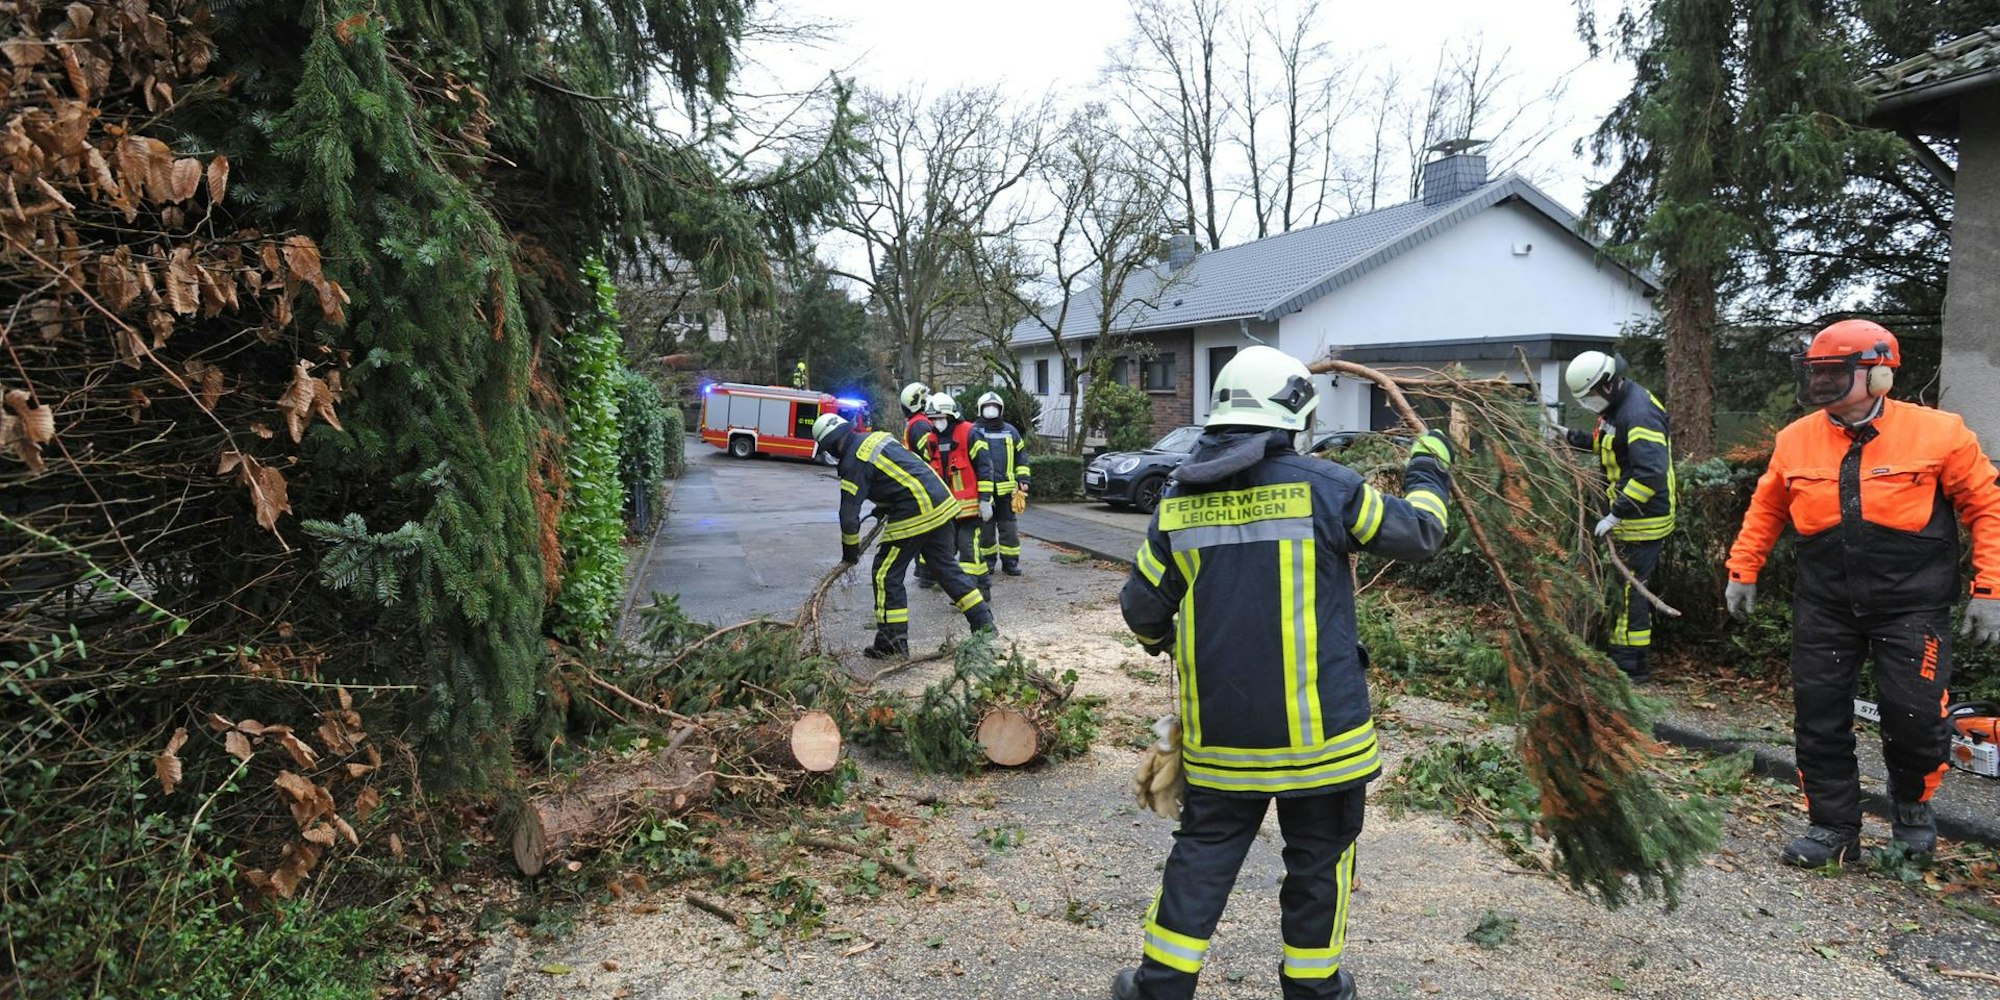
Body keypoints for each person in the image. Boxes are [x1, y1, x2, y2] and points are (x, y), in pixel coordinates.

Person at [1113, 346, 1454, 1000]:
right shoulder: (1329, 488)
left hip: (1223, 740)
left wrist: (1165, 642)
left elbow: (1141, 609)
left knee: (1202, 855)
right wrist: (1429, 464)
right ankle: (1313, 988)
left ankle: (1160, 987)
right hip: (1323, 742)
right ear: (1294, 416)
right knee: (1319, 863)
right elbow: (1422, 532)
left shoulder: (1178, 500)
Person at [1725, 319, 2000, 866]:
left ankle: (1912, 812)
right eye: (1815, 372)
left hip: (1913, 603)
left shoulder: (1939, 433)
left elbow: (1986, 508)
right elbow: (1767, 508)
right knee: (1819, 714)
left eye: (1834, 372)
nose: (1821, 383)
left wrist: (1989, 588)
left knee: (1913, 715)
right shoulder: (1796, 438)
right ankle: (1833, 827)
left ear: (1879, 375)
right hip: (1825, 602)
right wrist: (1742, 570)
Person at [813, 413, 994, 659]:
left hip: (917, 509)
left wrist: (850, 552)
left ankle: (892, 643)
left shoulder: (853, 462)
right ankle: (984, 624)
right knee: (946, 569)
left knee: (885, 573)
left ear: (832, 445)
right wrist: (885, 505)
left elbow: (848, 517)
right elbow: (899, 474)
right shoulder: (877, 438)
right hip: (941, 501)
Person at [1555, 350, 1677, 683]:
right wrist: (1569, 436)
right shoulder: (1616, 406)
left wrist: (1616, 514)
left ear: (1606, 385)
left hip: (1642, 520)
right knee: (1626, 590)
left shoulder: (1638, 414)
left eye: (1589, 396)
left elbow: (1650, 473)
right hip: (1629, 517)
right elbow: (1609, 445)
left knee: (1629, 592)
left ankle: (1631, 666)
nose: (1588, 403)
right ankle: (1626, 657)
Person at [926, 392, 995, 598]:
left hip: (972, 508)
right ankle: (983, 587)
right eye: (934, 418)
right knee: (961, 549)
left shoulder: (970, 433)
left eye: (940, 417)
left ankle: (967, 593)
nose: (937, 422)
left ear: (951, 415)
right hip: (949, 509)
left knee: (967, 547)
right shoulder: (931, 440)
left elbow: (985, 468)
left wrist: (985, 500)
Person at [974, 391, 1033, 576]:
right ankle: (987, 563)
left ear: (1001, 409)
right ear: (980, 409)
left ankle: (1010, 563)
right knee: (986, 530)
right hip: (983, 492)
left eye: (995, 407)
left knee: (1009, 529)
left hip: (1007, 491)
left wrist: (1023, 479)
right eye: (987, 407)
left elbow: (1021, 458)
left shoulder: (1011, 431)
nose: (991, 410)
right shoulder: (974, 431)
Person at [900, 381, 943, 590]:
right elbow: (929, 454)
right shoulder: (921, 425)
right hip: (926, 484)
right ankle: (927, 574)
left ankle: (925, 571)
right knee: (931, 531)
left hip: (920, 484)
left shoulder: (917, 423)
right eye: (926, 398)